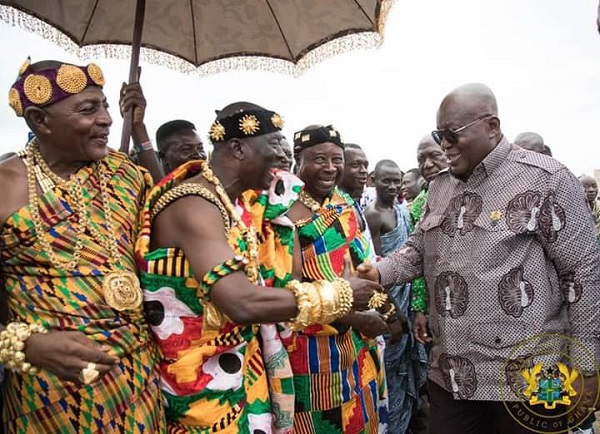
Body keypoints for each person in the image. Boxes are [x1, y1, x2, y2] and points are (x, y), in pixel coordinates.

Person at [358, 83, 600, 434]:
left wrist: (586, 365)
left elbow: (583, 274)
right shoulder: (439, 188)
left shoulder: (546, 179)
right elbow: (416, 251)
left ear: (492, 126)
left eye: (451, 134)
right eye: (438, 135)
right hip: (452, 379)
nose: (444, 145)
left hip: (530, 379)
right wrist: (377, 273)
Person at [135, 105, 382, 433]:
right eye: (276, 145)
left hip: (245, 366)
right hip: (201, 382)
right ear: (238, 148)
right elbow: (242, 302)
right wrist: (340, 294)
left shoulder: (241, 203)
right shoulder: (193, 203)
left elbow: (285, 276)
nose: (283, 158)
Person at [0, 58, 165, 431]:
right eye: (89, 109)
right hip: (47, 393)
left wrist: (140, 131)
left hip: (136, 380)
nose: (106, 118)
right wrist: (27, 346)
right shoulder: (6, 185)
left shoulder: (126, 174)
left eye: (105, 105)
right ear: (39, 121)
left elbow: (173, 214)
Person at [286, 124, 404, 433]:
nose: (330, 168)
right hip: (311, 347)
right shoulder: (285, 211)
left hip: (356, 346)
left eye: (336, 159)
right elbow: (288, 293)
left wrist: (388, 311)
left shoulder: (343, 203)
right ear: (298, 159)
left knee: (362, 418)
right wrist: (355, 318)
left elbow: (361, 265)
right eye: (319, 159)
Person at [365, 159, 427, 434]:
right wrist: (391, 312)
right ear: (375, 181)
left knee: (407, 370)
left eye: (396, 181)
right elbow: (377, 265)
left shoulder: (404, 211)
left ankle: (404, 423)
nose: (391, 186)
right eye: (385, 181)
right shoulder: (373, 214)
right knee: (389, 372)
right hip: (389, 304)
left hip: (409, 298)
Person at [579, 175, 600, 241]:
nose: (591, 190)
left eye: (594, 186)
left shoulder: (598, 206)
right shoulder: (573, 209)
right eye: (586, 187)